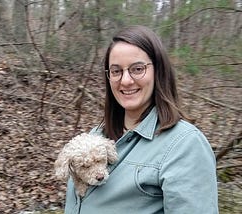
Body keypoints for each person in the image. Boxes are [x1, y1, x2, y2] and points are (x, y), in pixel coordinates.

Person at [64, 25, 219, 213]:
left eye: (137, 69)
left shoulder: (185, 145)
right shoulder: (95, 137)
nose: (126, 80)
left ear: (158, 71)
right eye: (116, 71)